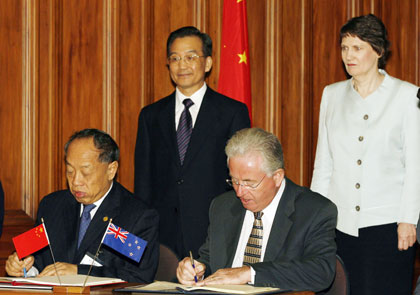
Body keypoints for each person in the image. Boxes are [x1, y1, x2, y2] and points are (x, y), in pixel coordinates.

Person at [311, 14, 420, 295]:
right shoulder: (331, 95)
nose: (349, 55)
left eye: (357, 47)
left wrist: (408, 220)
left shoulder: (407, 96)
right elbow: (324, 163)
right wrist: (315, 221)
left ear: (379, 51)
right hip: (339, 225)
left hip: (388, 227)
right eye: (344, 47)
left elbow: (415, 166)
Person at [134, 26, 250, 259]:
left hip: (213, 230)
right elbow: (143, 180)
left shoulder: (232, 112)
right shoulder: (151, 115)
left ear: (207, 63)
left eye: (190, 57)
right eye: (175, 58)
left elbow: (240, 176)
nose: (182, 65)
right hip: (163, 234)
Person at [177, 128, 337, 293]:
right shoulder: (222, 206)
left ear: (277, 177)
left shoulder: (314, 211)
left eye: (249, 183)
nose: (239, 192)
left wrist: (249, 273)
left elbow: (321, 272)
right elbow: (210, 260)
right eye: (234, 181)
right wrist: (197, 269)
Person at [6, 129, 159, 282]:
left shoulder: (136, 216)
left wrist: (78, 271)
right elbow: (27, 253)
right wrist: (20, 265)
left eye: (85, 173)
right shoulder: (51, 205)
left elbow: (137, 277)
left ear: (111, 170)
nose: (76, 181)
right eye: (70, 171)